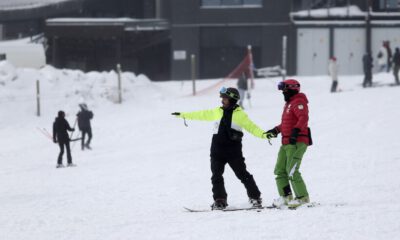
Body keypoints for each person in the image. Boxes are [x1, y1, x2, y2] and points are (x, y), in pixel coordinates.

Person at [171, 87, 271, 210]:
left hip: (233, 152)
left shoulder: (240, 115)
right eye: (222, 97)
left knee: (243, 175)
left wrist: (264, 135)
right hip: (217, 151)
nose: (222, 100)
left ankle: (255, 198)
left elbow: (253, 128)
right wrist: (183, 115)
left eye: (224, 98)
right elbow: (201, 114)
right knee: (216, 176)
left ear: (232, 99)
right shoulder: (217, 111)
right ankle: (220, 200)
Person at [265, 79, 312, 208]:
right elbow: (287, 123)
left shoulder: (299, 102)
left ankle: (303, 198)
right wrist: (276, 130)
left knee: (291, 170)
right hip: (286, 142)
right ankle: (286, 197)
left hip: (297, 142)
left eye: (284, 90)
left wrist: (296, 131)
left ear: (292, 89)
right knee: (280, 170)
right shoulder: (289, 104)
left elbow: (303, 118)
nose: (283, 93)